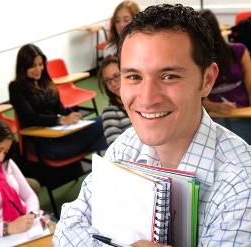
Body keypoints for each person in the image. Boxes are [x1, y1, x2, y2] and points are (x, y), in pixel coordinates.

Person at [53, 4, 251, 246]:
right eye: (134, 76)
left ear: (207, 80)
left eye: (169, 76)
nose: (147, 99)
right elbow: (67, 228)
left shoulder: (242, 187)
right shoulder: (126, 146)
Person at [9, 44, 107, 160]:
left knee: (104, 119)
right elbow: (30, 118)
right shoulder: (16, 87)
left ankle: (110, 159)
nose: (38, 69)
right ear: (23, 67)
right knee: (100, 134)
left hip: (63, 134)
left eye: (40, 65)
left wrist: (71, 115)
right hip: (47, 142)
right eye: (33, 66)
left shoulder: (45, 81)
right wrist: (59, 120)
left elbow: (59, 108)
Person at [199, 9, 251, 144]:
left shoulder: (239, 51)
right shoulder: (195, 59)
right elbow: (189, 95)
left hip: (244, 115)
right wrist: (212, 106)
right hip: (212, 119)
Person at [97, 55, 131, 145]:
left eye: (116, 76)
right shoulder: (109, 113)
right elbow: (117, 150)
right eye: (108, 80)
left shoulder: (146, 100)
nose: (113, 83)